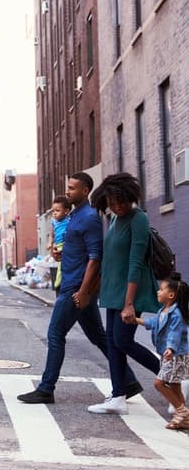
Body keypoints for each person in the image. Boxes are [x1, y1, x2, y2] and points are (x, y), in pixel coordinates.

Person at [18, 172, 142, 404]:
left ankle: (46, 388)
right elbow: (79, 251)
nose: (68, 191)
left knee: (55, 334)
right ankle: (129, 381)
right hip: (75, 284)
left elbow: (95, 258)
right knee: (99, 336)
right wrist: (59, 253)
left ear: (85, 191)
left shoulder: (89, 218)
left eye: (73, 188)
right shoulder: (74, 216)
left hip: (75, 288)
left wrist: (84, 292)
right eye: (68, 187)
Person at [87, 173, 161, 415]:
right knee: (113, 343)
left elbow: (135, 262)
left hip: (131, 292)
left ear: (130, 197)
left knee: (122, 340)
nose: (116, 207)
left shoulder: (138, 219)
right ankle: (118, 395)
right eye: (112, 202)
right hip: (113, 291)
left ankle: (172, 377)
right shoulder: (116, 220)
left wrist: (129, 303)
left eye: (121, 202)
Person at [134, 273, 189, 429]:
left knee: (159, 383)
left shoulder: (176, 314)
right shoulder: (163, 310)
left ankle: (182, 411)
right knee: (174, 386)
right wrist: (135, 320)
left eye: (161, 289)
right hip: (169, 355)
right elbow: (153, 323)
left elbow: (175, 333)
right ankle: (183, 418)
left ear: (170, 295)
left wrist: (171, 348)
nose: (158, 292)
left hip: (176, 355)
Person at [47, 195, 71, 291]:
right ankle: (58, 283)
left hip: (65, 244)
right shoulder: (54, 222)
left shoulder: (69, 220)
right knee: (59, 264)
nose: (54, 213)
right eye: (53, 211)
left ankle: (58, 283)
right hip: (57, 245)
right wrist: (50, 243)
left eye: (57, 211)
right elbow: (51, 234)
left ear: (66, 211)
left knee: (62, 265)